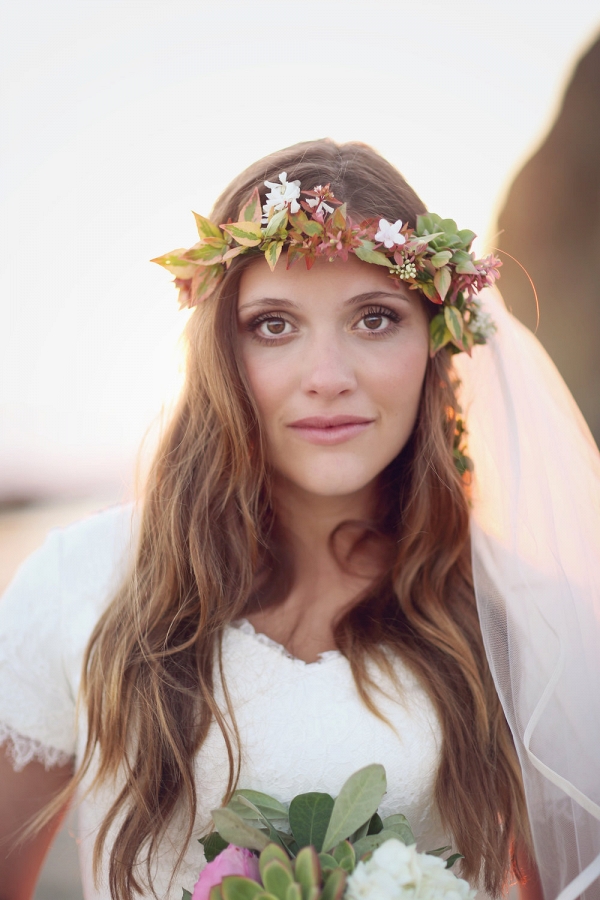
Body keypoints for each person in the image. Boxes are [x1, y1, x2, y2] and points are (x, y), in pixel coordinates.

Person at [0, 140, 598, 900]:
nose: (328, 379)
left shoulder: (524, 618)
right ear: (219, 351)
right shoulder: (79, 585)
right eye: (274, 325)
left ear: (436, 344)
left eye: (376, 319)